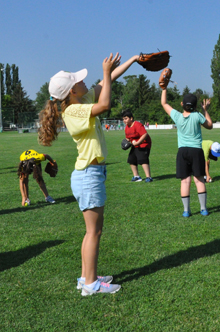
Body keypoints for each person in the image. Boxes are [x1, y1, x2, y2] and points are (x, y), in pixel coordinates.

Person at [38, 52, 140, 296]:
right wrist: (104, 71)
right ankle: (91, 285)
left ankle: (86, 278)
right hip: (89, 175)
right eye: (79, 81)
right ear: (72, 91)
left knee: (91, 231)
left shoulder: (79, 103)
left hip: (91, 173)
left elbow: (108, 81)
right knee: (94, 232)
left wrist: (134, 59)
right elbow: (105, 103)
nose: (85, 81)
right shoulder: (73, 112)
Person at [161, 83, 213, 217]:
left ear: (181, 104)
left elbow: (164, 103)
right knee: (199, 180)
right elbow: (210, 125)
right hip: (196, 151)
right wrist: (205, 110)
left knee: (185, 181)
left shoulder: (177, 116)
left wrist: (164, 88)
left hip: (182, 151)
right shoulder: (197, 115)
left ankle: (186, 211)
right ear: (195, 106)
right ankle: (203, 209)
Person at [122, 110, 153, 182]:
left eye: (126, 118)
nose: (124, 120)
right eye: (123, 119)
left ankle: (148, 177)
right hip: (135, 145)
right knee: (131, 160)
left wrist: (138, 142)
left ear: (131, 118)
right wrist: (126, 142)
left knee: (142, 159)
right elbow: (128, 138)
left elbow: (145, 134)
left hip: (144, 144)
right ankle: (136, 176)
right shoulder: (127, 127)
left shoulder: (137, 124)